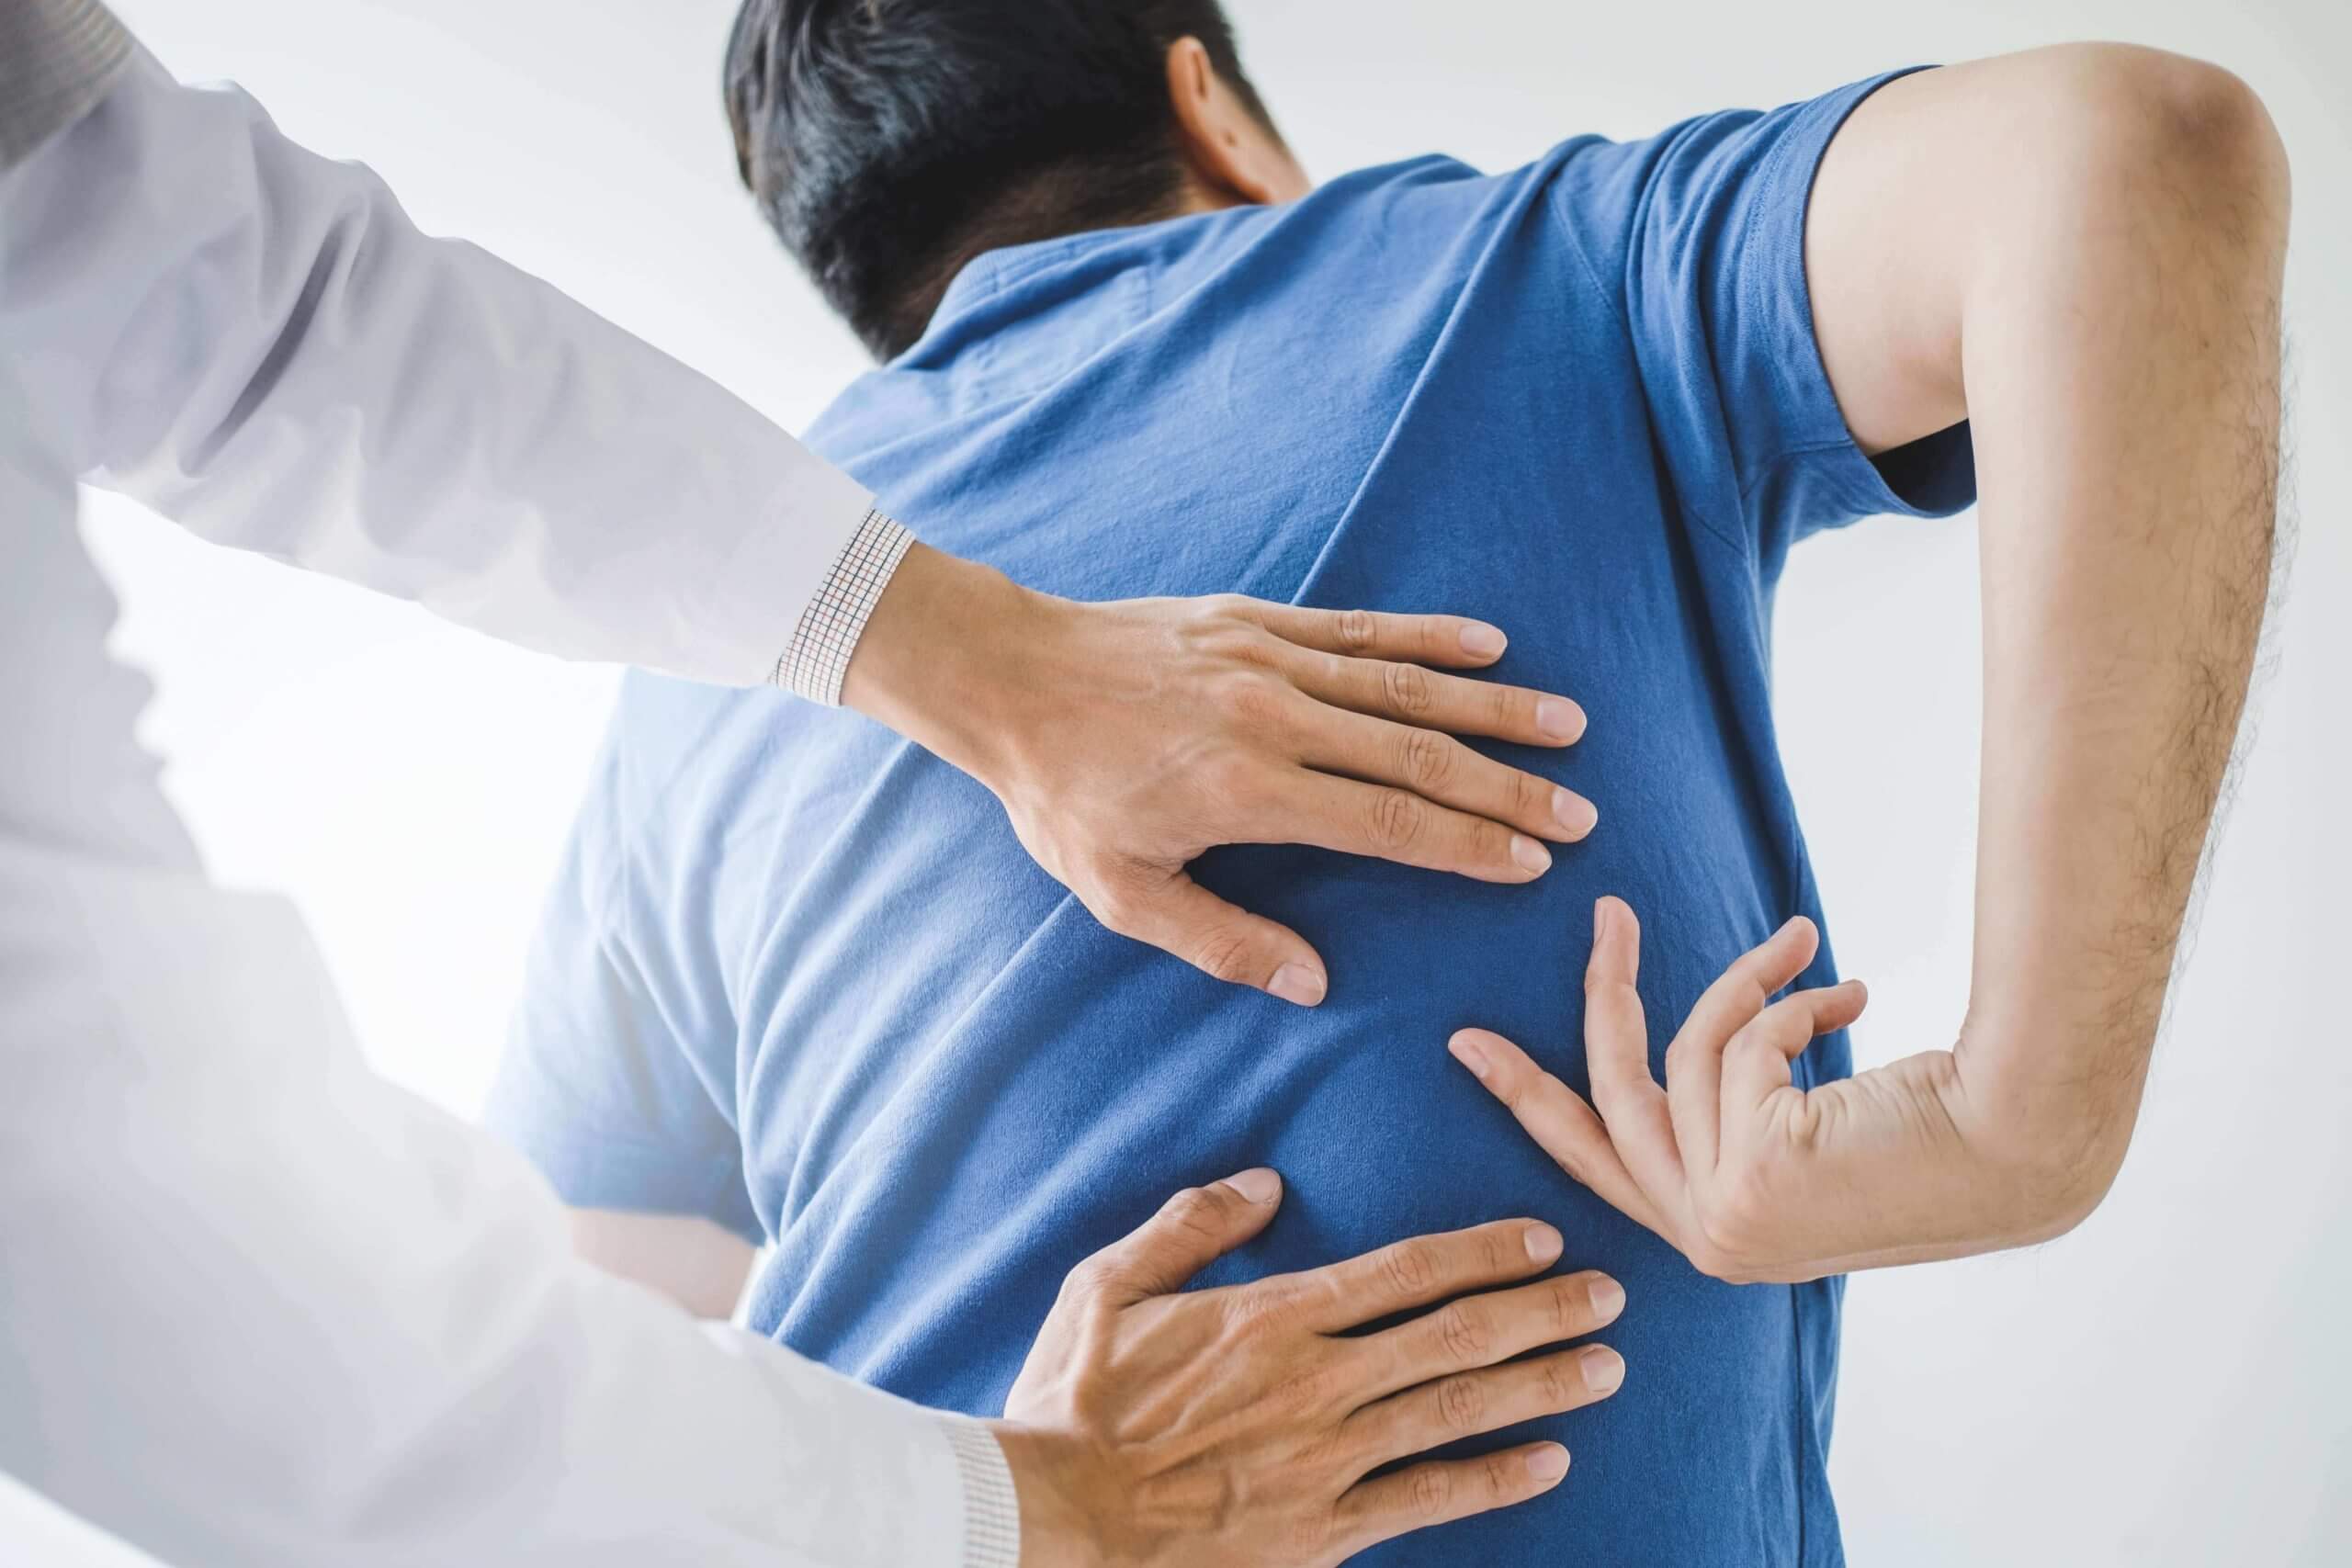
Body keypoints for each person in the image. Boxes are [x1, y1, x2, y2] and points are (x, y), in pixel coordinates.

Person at [487, 2, 2287, 1563]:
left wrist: (978, 1516)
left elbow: (573, 1382)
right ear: (1208, 105)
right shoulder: (1530, 275)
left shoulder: (711, 675)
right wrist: (2012, 1120)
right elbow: (2129, 153)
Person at [0, 4, 1635, 1564]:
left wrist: (968, 652)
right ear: (1211, 108)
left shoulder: (679, 730)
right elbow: (196, 1311)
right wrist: (1046, 1512)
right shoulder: (1535, 288)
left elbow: (243, 301)